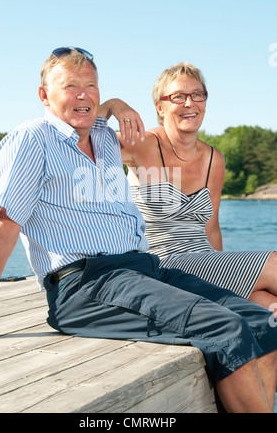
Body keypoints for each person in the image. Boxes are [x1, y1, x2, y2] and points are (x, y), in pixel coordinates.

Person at [0, 48, 277, 413]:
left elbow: (90, 112)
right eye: (69, 85)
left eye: (91, 85)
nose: (83, 93)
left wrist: (115, 104)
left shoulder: (103, 138)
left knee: (262, 322)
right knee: (226, 328)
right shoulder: (32, 140)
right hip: (84, 283)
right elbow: (3, 230)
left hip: (143, 266)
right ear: (44, 95)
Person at [104, 62, 277, 315]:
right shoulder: (141, 144)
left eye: (198, 95)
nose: (190, 103)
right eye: (178, 96)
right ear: (160, 107)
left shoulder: (213, 159)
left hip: (205, 263)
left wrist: (227, 283)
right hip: (161, 265)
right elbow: (78, 142)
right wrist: (113, 105)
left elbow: (212, 228)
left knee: (266, 303)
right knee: (273, 263)